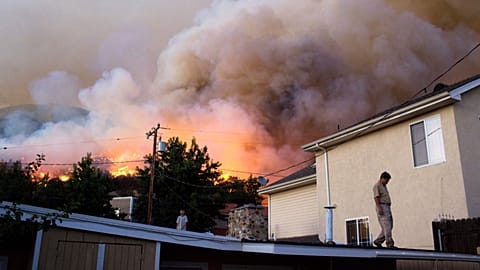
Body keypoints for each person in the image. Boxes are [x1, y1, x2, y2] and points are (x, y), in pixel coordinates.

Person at [372, 171, 395, 248]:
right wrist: (379, 207)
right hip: (382, 206)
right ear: (382, 178)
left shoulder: (383, 186)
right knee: (387, 226)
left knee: (389, 226)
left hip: (387, 207)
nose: (387, 182)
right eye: (387, 180)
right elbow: (376, 197)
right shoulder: (377, 186)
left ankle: (378, 241)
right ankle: (390, 244)